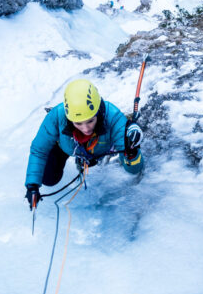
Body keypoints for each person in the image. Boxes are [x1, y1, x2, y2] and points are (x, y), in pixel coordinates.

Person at [24, 79, 143, 209]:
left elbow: (134, 170)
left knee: (109, 146)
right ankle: (65, 143)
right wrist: (32, 186)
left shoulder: (113, 117)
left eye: (90, 121)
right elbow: (39, 150)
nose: (86, 129)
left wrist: (131, 152)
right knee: (48, 178)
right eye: (78, 123)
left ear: (98, 112)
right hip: (64, 146)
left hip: (98, 147)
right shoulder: (57, 116)